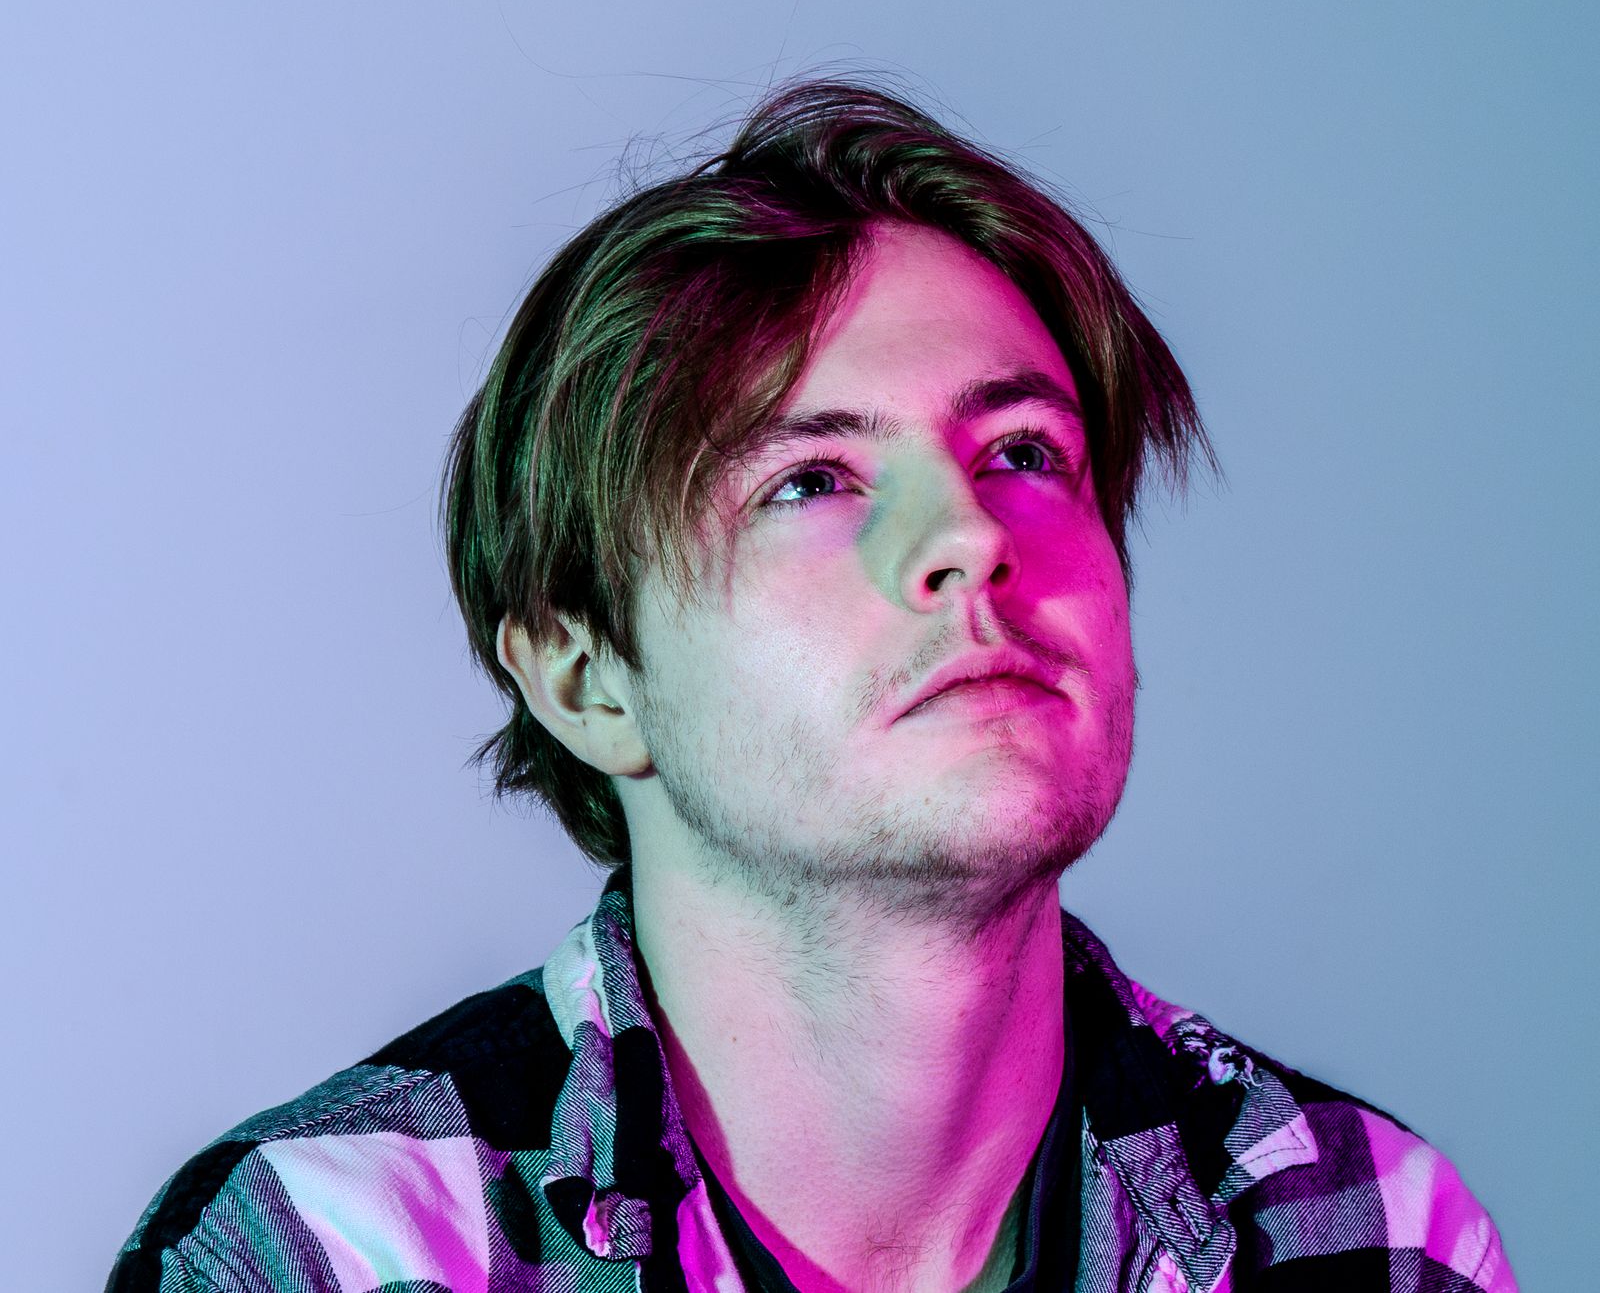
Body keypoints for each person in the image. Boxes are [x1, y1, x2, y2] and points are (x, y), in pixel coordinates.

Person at [108, 80, 1517, 1292]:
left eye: (1025, 454)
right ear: (589, 680)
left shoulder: (1370, 1235)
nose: (969, 535)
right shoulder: (335, 1255)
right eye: (812, 480)